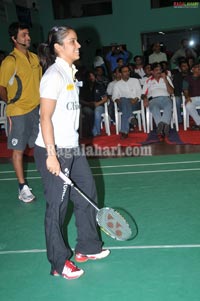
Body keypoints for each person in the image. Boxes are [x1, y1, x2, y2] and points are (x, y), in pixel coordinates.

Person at [34, 26, 110, 280]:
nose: (78, 45)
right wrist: (52, 155)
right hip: (54, 148)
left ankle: (87, 247)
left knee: (87, 194)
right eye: (72, 42)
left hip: (73, 147)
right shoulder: (53, 75)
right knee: (57, 206)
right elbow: (45, 117)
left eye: (77, 41)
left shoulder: (70, 72)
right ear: (58, 47)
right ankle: (58, 262)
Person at [0, 22, 42, 203]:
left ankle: (49, 175)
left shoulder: (34, 58)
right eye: (24, 34)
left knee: (40, 144)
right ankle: (22, 187)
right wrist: (11, 102)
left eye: (28, 34)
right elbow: (1, 87)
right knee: (18, 150)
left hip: (37, 109)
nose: (28, 37)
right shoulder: (10, 61)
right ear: (14, 38)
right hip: (18, 111)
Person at [142, 63, 174, 137]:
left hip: (166, 98)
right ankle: (164, 126)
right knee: (154, 107)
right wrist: (145, 99)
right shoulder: (148, 81)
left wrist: (165, 79)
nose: (159, 72)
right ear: (152, 72)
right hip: (153, 99)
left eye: (160, 70)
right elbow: (143, 94)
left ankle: (161, 127)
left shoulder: (166, 78)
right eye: (156, 70)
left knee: (168, 105)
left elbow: (171, 92)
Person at [112, 65, 142, 139]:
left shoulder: (135, 80)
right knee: (124, 99)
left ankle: (125, 130)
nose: (127, 73)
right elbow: (114, 96)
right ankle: (130, 118)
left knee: (125, 104)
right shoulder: (117, 84)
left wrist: (136, 99)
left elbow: (140, 93)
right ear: (120, 74)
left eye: (128, 71)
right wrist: (117, 100)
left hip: (134, 103)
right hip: (122, 103)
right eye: (124, 71)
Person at [182, 62, 200, 130]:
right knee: (188, 105)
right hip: (192, 98)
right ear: (193, 69)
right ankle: (199, 123)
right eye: (198, 67)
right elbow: (185, 90)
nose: (199, 68)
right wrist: (187, 97)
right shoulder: (187, 78)